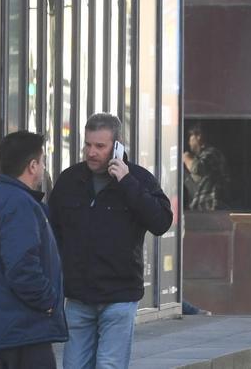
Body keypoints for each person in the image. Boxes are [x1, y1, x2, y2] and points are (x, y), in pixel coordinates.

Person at [49, 113, 173, 369]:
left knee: (109, 365)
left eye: (100, 146)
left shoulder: (138, 179)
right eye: (87, 144)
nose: (91, 152)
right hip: (79, 296)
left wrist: (127, 182)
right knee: (73, 365)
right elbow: (53, 231)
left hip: (119, 295)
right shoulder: (70, 180)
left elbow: (161, 222)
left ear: (117, 147)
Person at [0, 131, 67, 368]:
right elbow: (21, 266)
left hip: (7, 330)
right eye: (43, 161)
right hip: (22, 332)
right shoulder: (18, 203)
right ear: (32, 165)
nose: (44, 167)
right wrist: (49, 301)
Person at [182, 126, 229, 211]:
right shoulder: (200, 157)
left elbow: (197, 167)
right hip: (201, 209)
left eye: (190, 137)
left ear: (198, 136)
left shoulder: (213, 153)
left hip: (212, 207)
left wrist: (186, 157)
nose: (189, 142)